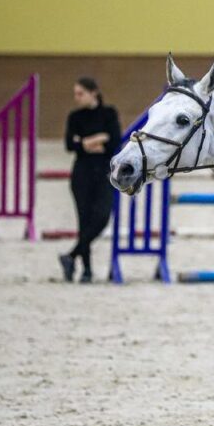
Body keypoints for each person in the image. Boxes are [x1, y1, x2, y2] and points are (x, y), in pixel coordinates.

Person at [58, 77, 121, 283]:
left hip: (104, 173)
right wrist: (97, 139)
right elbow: (70, 144)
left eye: (80, 93)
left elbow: (114, 142)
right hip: (81, 175)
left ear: (93, 92)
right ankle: (86, 270)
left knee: (102, 218)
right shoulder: (74, 117)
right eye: (75, 94)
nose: (76, 98)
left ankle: (71, 255)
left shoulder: (109, 114)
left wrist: (84, 142)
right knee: (84, 223)